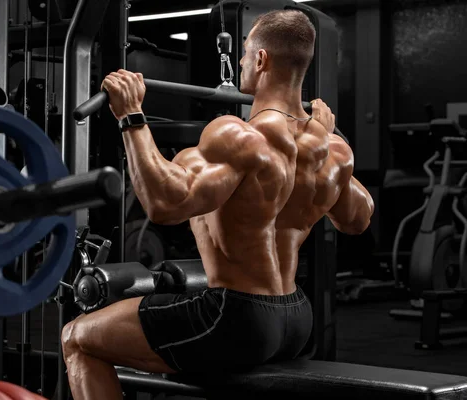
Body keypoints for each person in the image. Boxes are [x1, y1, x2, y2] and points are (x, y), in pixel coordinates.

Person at [61, 9, 374, 400]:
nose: (241, 61)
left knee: (77, 336)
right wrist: (326, 138)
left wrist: (131, 116)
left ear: (261, 60)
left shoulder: (239, 135)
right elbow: (357, 219)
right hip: (296, 317)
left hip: (235, 317)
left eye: (244, 53)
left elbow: (164, 203)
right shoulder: (330, 148)